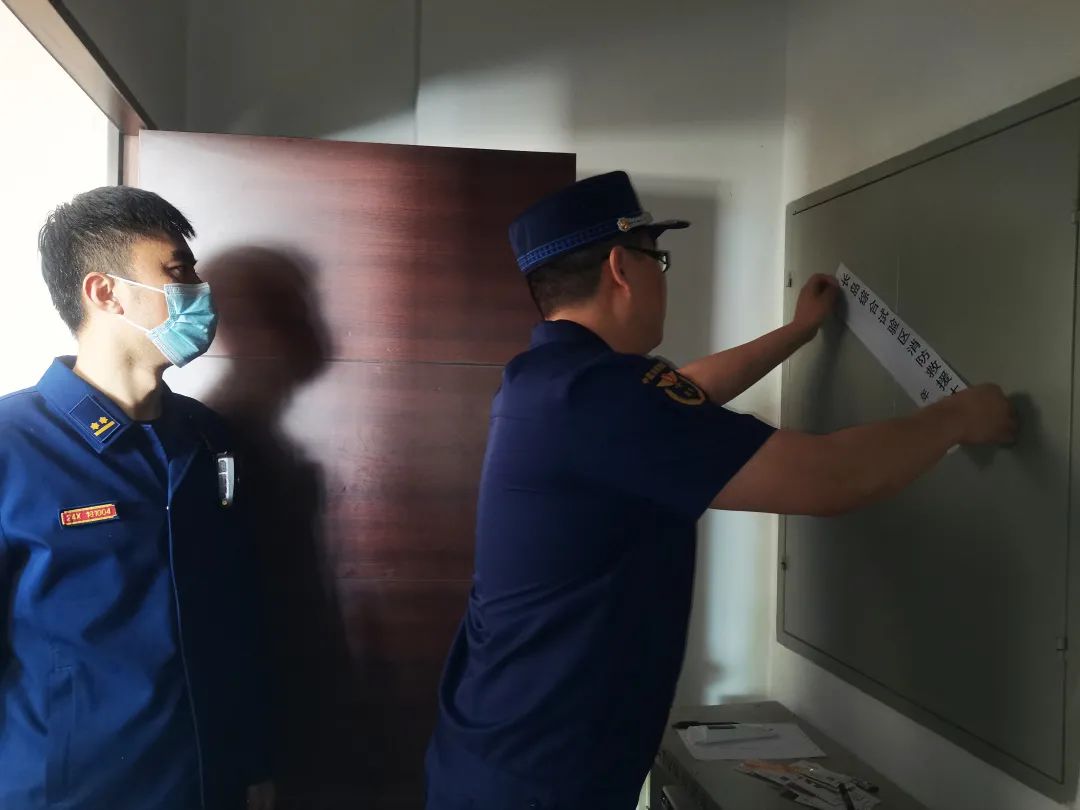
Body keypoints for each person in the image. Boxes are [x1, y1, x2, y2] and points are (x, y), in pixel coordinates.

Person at [424, 171, 1017, 809]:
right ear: (622, 267)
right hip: (542, 778)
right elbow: (830, 478)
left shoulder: (548, 381)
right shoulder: (600, 399)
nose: (663, 280)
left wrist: (797, 332)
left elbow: (685, 392)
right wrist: (959, 416)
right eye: (659, 260)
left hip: (500, 749)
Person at [0, 186, 275, 810]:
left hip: (209, 783)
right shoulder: (13, 446)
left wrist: (254, 762)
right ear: (105, 292)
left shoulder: (208, 438)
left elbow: (240, 620)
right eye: (178, 272)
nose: (200, 292)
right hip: (67, 791)